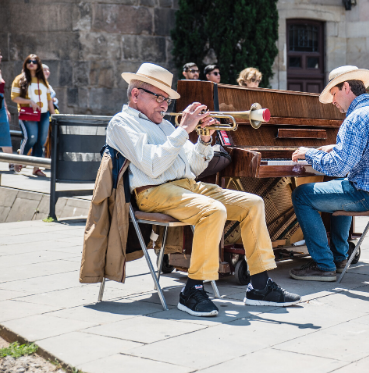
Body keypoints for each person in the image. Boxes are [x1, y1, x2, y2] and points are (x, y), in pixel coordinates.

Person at [106, 63, 300, 316]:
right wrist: (183, 130)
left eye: (167, 99)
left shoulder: (165, 126)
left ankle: (260, 286)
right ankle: (193, 290)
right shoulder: (122, 124)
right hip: (152, 191)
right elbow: (152, 166)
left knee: (253, 204)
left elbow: (195, 167)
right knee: (213, 211)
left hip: (187, 186)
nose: (165, 105)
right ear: (136, 94)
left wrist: (205, 139)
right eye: (159, 98)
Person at [289, 65, 369, 281]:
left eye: (334, 94)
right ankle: (340, 257)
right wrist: (335, 147)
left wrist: (308, 153)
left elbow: (338, 166)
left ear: (346, 87)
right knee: (343, 182)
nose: (334, 102)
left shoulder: (356, 117)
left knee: (302, 195)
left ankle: (323, 265)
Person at [11, 54, 55, 177]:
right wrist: (29, 102)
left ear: (38, 64)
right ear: (25, 63)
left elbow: (49, 100)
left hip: (44, 114)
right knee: (31, 138)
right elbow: (14, 98)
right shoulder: (20, 79)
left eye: (34, 61)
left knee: (41, 141)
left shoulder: (43, 81)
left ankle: (36, 168)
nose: (31, 63)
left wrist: (55, 115)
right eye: (29, 61)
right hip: (28, 113)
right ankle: (19, 160)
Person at [0, 46, 16, 172]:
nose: (1, 56)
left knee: (5, 133)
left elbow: (1, 92)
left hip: (0, 105)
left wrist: (6, 108)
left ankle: (11, 163)